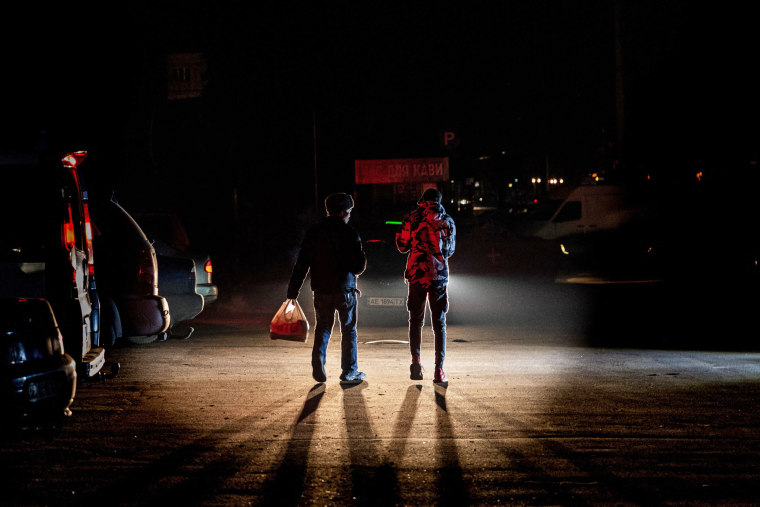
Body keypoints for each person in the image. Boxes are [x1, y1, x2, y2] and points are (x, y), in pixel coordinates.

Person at [287, 192, 367, 384]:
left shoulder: (314, 232)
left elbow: (302, 264)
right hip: (345, 290)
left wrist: (292, 291)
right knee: (348, 329)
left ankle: (318, 359)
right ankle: (349, 371)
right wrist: (361, 256)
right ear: (343, 212)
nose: (349, 215)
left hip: (321, 290)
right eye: (349, 211)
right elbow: (358, 267)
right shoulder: (350, 233)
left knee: (323, 327)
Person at [396, 188, 456, 384]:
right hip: (438, 277)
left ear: (422, 199)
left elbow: (401, 245)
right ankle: (439, 370)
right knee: (439, 324)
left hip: (416, 275)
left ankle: (416, 361)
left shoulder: (411, 218)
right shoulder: (447, 221)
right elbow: (450, 250)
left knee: (415, 320)